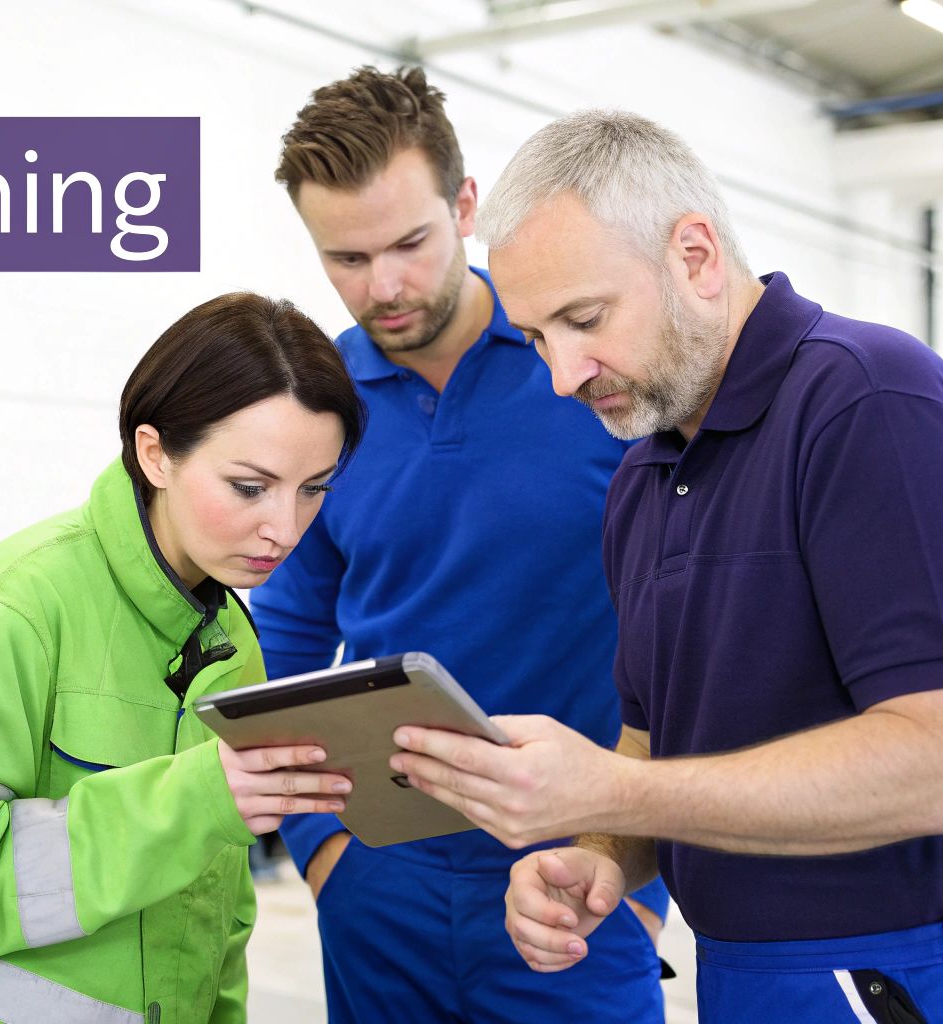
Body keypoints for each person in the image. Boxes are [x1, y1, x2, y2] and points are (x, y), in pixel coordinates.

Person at [390, 110, 943, 1023]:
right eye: (534, 337)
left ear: (696, 255)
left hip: (917, 977)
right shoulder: (644, 477)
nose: (563, 374)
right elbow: (656, 743)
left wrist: (614, 790)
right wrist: (604, 850)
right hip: (744, 975)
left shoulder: (870, 403)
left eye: (584, 318)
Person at [250, 67, 667, 1023]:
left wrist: (642, 880)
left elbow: (691, 626)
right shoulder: (318, 405)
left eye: (409, 242)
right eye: (346, 258)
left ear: (465, 205)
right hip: (380, 878)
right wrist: (322, 848)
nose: (383, 285)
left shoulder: (587, 371)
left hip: (575, 874)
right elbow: (286, 637)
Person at [0, 292, 367, 1024]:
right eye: (249, 487)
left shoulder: (230, 638)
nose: (284, 527)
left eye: (313, 490)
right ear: (155, 454)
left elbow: (214, 911)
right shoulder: (13, 609)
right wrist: (196, 799)